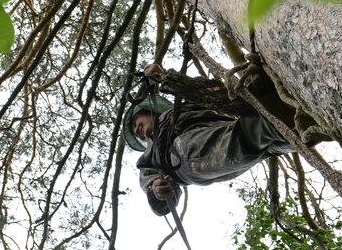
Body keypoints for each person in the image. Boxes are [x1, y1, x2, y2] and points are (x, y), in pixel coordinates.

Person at [124, 64, 301, 215]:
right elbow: (160, 203)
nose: (137, 131)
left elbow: (201, 89)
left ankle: (303, 129)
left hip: (219, 130)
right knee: (254, 136)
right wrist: (157, 191)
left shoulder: (183, 108)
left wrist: (164, 77)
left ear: (149, 112)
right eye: (135, 133)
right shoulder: (149, 157)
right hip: (184, 156)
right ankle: (294, 124)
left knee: (267, 142)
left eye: (136, 123)